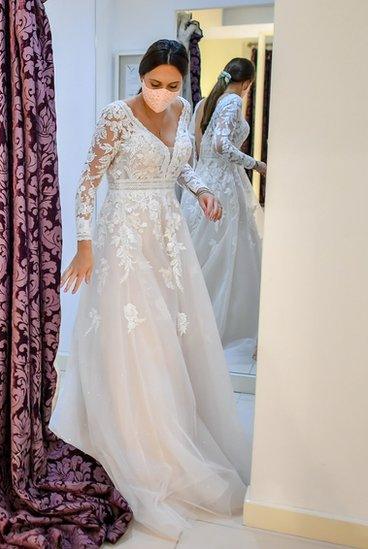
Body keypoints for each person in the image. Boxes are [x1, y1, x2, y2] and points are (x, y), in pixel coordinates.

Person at [50, 40, 251, 540]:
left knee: (173, 342)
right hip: (123, 235)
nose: (162, 94)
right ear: (141, 78)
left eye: (172, 85)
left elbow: (176, 165)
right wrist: (85, 246)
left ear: (182, 86)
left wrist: (201, 188)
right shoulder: (116, 116)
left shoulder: (183, 110)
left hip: (168, 234)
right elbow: (85, 183)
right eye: (154, 84)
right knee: (138, 339)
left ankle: (172, 436)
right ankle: (135, 444)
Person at [181, 58, 264, 367]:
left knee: (200, 253)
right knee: (228, 255)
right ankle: (215, 326)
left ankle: (189, 324)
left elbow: (198, 146)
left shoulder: (208, 101)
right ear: (247, 83)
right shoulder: (231, 100)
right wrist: (256, 164)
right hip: (222, 186)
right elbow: (220, 145)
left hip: (203, 182)